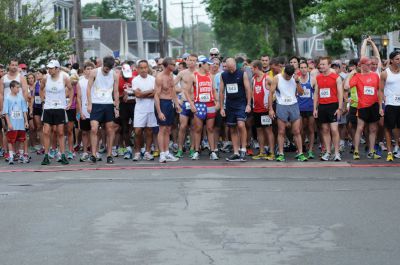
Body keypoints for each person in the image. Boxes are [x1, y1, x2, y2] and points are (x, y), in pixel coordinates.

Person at [269, 65, 307, 162]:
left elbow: (301, 93)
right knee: (281, 131)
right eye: (287, 75)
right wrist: (270, 109)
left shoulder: (295, 78)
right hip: (281, 105)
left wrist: (297, 81)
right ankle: (281, 153)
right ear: (284, 71)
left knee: (297, 131)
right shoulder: (277, 78)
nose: (288, 77)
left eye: (290, 76)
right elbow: (271, 93)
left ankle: (300, 153)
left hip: (293, 104)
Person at [40, 60, 73, 165]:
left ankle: (62, 155)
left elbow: (71, 89)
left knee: (60, 132)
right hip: (48, 107)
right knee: (46, 132)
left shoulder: (64, 77)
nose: (49, 70)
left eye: (51, 68)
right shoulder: (45, 78)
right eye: (48, 68)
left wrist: (70, 102)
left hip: (59, 107)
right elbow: (41, 89)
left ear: (57, 68)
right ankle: (46, 156)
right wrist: (43, 101)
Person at [185, 57, 219, 160]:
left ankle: (212, 151)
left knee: (210, 129)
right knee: (198, 129)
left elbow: (213, 90)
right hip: (199, 104)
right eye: (208, 65)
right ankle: (196, 151)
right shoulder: (193, 76)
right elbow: (186, 91)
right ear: (202, 64)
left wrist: (218, 102)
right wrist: (191, 104)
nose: (210, 66)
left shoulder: (210, 76)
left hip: (210, 105)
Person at [220, 58, 252, 162]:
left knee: (241, 125)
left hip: (241, 103)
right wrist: (221, 107)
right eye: (228, 68)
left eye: (232, 68)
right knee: (232, 128)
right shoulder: (224, 75)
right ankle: (235, 152)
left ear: (235, 65)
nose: (231, 70)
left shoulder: (242, 73)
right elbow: (221, 92)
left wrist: (248, 104)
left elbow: (248, 89)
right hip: (230, 104)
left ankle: (243, 149)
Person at [350, 57, 381, 160]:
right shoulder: (357, 76)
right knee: (360, 128)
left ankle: (371, 152)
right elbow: (346, 86)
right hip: (362, 106)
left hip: (374, 105)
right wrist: (353, 72)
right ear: (361, 65)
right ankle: (356, 151)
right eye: (367, 64)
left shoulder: (375, 75)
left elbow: (379, 91)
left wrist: (380, 106)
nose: (369, 66)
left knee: (373, 129)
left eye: (370, 64)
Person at [313, 57, 344, 161]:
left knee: (334, 130)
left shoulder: (336, 77)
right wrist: (315, 109)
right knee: (325, 130)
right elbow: (316, 93)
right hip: (322, 106)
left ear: (329, 65)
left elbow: (340, 93)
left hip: (333, 106)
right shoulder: (318, 77)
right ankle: (328, 152)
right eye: (320, 64)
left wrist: (340, 108)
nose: (321, 66)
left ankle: (336, 152)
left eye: (323, 64)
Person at [154, 57, 181, 163]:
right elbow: (156, 95)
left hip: (170, 104)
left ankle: (166, 152)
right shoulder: (159, 77)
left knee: (168, 129)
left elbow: (173, 90)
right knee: (162, 129)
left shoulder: (170, 76)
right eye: (173, 64)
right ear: (167, 65)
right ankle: (162, 154)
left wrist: (176, 103)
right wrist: (159, 111)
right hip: (162, 103)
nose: (175, 66)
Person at [132, 60, 157, 161]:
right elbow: (138, 95)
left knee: (149, 131)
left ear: (148, 68)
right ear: (138, 69)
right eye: (141, 68)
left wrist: (143, 94)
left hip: (151, 108)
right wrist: (150, 92)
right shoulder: (135, 80)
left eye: (145, 67)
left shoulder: (153, 79)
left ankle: (147, 152)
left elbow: (155, 93)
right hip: (139, 109)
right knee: (137, 131)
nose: (143, 70)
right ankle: (137, 152)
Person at [251, 60, 275, 160]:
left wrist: (270, 107)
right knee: (259, 131)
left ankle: (272, 153)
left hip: (265, 110)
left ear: (256, 68)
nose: (251, 70)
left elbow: (275, 91)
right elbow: (253, 93)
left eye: (252, 68)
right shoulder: (253, 79)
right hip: (256, 109)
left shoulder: (267, 78)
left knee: (268, 131)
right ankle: (262, 152)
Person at [380, 50, 400, 161]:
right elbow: (381, 91)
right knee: (388, 128)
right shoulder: (385, 73)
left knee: (398, 128)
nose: (399, 61)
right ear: (391, 60)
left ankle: (397, 146)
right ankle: (389, 152)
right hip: (390, 104)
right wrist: (380, 106)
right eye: (397, 59)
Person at [2, 81, 29, 164]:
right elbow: (6, 112)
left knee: (21, 140)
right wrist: (9, 123)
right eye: (17, 87)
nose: (18, 89)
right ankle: (11, 156)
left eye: (19, 87)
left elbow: (24, 110)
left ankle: (21, 156)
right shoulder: (7, 98)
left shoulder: (20, 97)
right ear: (12, 88)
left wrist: (26, 121)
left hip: (20, 123)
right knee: (11, 140)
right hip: (12, 123)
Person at [76, 61, 95, 162]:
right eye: (87, 69)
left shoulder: (96, 81)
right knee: (84, 132)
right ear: (84, 71)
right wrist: (80, 112)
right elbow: (78, 98)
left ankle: (94, 152)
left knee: (94, 131)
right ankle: (85, 152)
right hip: (84, 110)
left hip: (95, 109)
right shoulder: (81, 81)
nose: (89, 70)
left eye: (91, 68)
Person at [297, 61, 316, 159]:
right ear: (299, 69)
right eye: (302, 67)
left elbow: (316, 94)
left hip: (310, 108)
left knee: (311, 129)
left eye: (305, 67)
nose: (303, 69)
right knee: (300, 130)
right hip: (300, 108)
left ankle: (310, 150)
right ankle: (301, 148)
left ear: (308, 68)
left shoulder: (312, 79)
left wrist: (315, 108)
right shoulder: (297, 80)